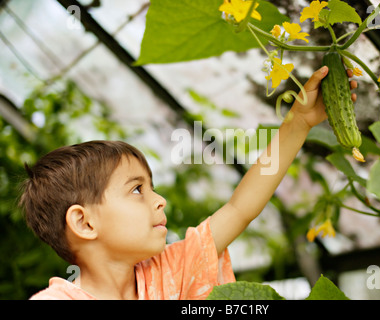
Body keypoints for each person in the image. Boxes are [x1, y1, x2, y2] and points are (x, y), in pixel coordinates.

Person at [19, 67, 357, 299]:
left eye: (150, 187)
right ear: (84, 221)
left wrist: (298, 122)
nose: (159, 200)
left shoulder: (171, 269)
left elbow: (240, 209)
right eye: (137, 189)